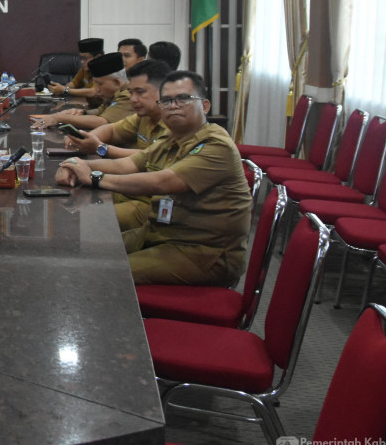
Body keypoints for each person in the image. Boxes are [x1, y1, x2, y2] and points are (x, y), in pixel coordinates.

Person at [54, 71, 251, 287]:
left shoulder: (217, 145)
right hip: (161, 233)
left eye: (183, 99)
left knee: (106, 272)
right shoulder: (172, 138)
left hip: (202, 252)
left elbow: (163, 181)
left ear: (204, 106)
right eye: (166, 101)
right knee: (91, 249)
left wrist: (93, 177)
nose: (173, 106)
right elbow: (127, 165)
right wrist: (74, 164)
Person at [62, 60, 170, 160]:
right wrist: (84, 139)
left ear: (163, 91)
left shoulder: (174, 122)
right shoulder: (145, 116)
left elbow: (150, 156)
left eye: (140, 92)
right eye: (131, 92)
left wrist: (100, 148)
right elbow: (112, 131)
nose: (132, 99)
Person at [32, 52, 133, 130]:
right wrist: (82, 112)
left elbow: (102, 122)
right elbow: (100, 111)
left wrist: (59, 118)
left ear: (117, 82)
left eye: (100, 84)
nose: (96, 89)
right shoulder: (114, 94)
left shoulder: (129, 95)